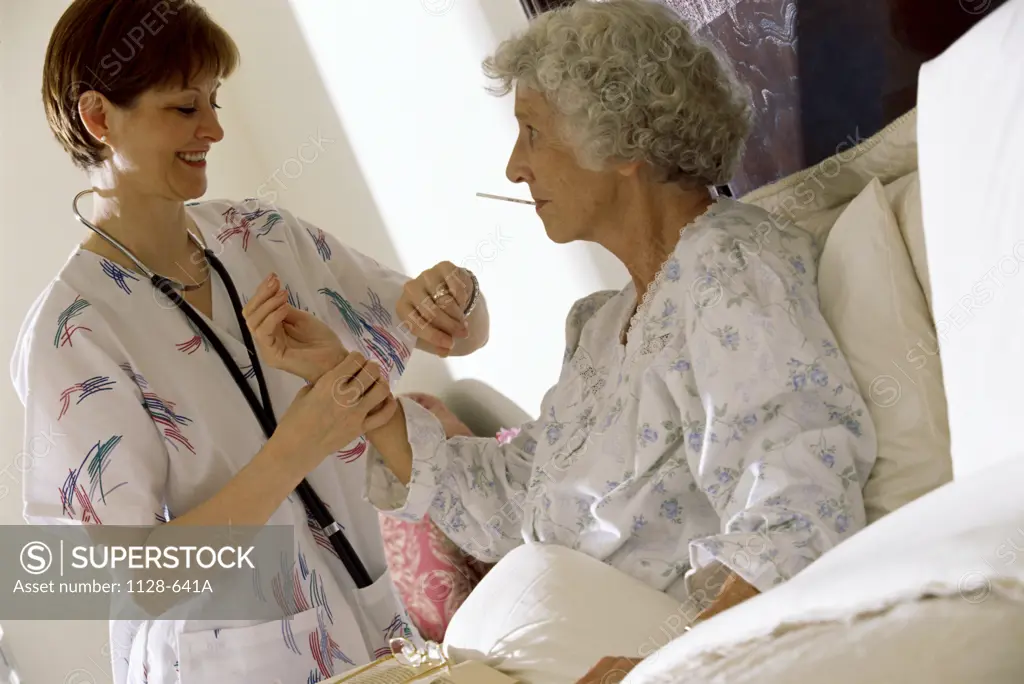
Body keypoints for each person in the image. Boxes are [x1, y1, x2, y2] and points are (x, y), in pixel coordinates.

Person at [246, 2, 879, 679]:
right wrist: (344, 376)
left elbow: (799, 500)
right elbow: (507, 509)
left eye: (532, 132)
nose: (516, 167)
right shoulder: (600, 327)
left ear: (624, 142)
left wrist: (673, 659)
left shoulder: (728, 269)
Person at [10, 1, 488, 682]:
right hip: (226, 662)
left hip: (371, 624)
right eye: (184, 108)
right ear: (98, 117)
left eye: (214, 100)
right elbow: (135, 578)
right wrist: (297, 445)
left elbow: (454, 335)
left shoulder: (261, 234)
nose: (215, 128)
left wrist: (455, 295)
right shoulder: (72, 333)